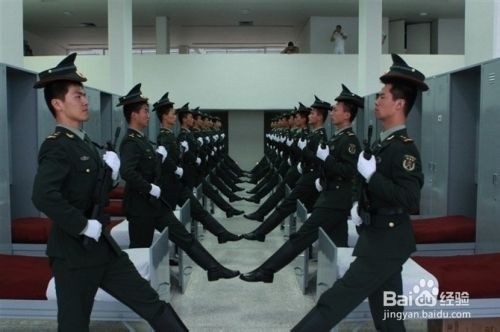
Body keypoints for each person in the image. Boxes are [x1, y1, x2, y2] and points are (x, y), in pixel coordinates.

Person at [31, 53, 188, 331]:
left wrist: (112, 177)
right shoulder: (57, 145)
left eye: (84, 95)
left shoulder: (85, 142)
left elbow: (91, 191)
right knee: (74, 325)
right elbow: (43, 196)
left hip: (102, 248)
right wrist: (81, 225)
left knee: (150, 302)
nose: (85, 100)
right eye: (77, 96)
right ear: (57, 104)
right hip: (73, 255)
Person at [291, 54, 427, 331]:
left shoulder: (403, 148)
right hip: (381, 238)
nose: (376, 101)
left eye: (382, 96)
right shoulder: (385, 142)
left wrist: (372, 176)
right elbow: (368, 185)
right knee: (388, 319)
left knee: (333, 303)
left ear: (399, 103)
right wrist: (361, 205)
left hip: (385, 242)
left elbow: (409, 199)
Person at [239, 85, 362, 283]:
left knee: (301, 236)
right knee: (337, 244)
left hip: (335, 199)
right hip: (331, 195)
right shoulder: (338, 138)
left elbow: (348, 172)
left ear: (347, 115)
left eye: (336, 110)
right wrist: (322, 177)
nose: (332, 113)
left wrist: (323, 160)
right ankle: (345, 281)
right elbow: (329, 167)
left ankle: (267, 270)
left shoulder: (350, 141)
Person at [118, 84, 240, 281]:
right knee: (139, 253)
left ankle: (213, 268)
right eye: (145, 111)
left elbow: (148, 169)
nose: (148, 115)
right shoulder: (130, 142)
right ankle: (135, 295)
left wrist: (160, 162)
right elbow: (127, 172)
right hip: (140, 209)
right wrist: (150, 187)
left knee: (184, 237)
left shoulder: (141, 141)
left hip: (155, 204)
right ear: (133, 115)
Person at [153, 92, 241, 243]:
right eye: (172, 114)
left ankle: (221, 233)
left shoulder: (171, 136)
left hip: (179, 183)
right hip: (172, 186)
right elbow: (168, 162)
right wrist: (179, 164)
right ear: (165, 117)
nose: (174, 116)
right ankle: (174, 253)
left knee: (198, 211)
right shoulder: (164, 137)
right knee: (176, 223)